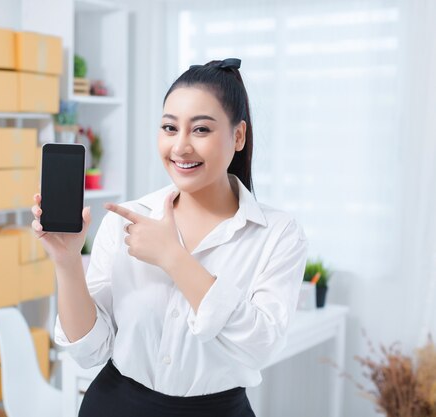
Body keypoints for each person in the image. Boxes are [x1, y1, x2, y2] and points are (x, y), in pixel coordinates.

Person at [31, 58, 309, 417]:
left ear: (238, 136)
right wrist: (67, 260)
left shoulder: (277, 234)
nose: (180, 147)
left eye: (201, 130)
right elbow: (90, 352)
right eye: (169, 127)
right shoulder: (125, 221)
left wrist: (173, 258)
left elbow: (261, 346)